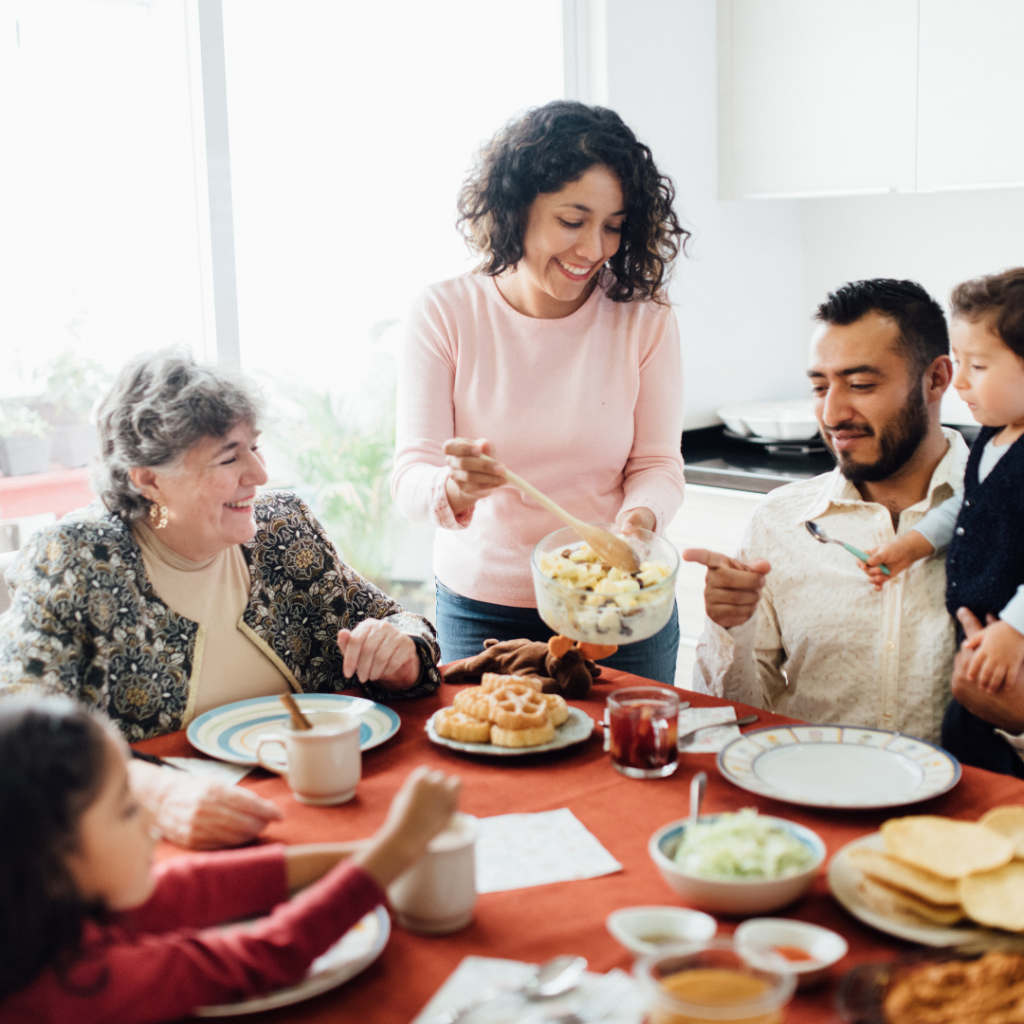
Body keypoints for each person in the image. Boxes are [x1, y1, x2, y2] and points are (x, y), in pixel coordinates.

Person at [0, 351, 441, 848]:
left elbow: (400, 622)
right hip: (159, 836)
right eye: (229, 457)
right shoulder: (74, 558)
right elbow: (22, 730)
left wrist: (401, 654)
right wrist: (155, 792)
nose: (258, 473)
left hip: (324, 804)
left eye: (254, 447)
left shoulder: (283, 528)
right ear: (148, 478)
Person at [392, 101, 687, 684]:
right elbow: (409, 476)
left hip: (615, 606)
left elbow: (657, 464)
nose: (594, 249)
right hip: (483, 606)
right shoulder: (446, 311)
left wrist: (636, 524)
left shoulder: (643, 315)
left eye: (613, 225)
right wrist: (451, 487)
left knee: (627, 770)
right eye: (572, 221)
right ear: (515, 208)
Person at [0, 695, 460, 1024]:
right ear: (51, 859)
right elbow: (266, 954)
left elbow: (190, 887)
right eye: (126, 809)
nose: (150, 825)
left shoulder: (44, 915)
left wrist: (371, 850)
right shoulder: (86, 984)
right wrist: (395, 848)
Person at [687, 279, 968, 743]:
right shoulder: (780, 522)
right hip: (810, 789)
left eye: (860, 384)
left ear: (936, 379)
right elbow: (734, 720)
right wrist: (730, 629)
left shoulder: (1004, 513)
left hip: (965, 807)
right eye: (820, 388)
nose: (833, 414)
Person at [860, 270, 1024, 774]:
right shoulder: (995, 437)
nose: (963, 381)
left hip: (1008, 640)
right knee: (965, 739)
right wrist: (916, 542)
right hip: (980, 635)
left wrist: (1015, 629)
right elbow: (971, 505)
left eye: (978, 365)